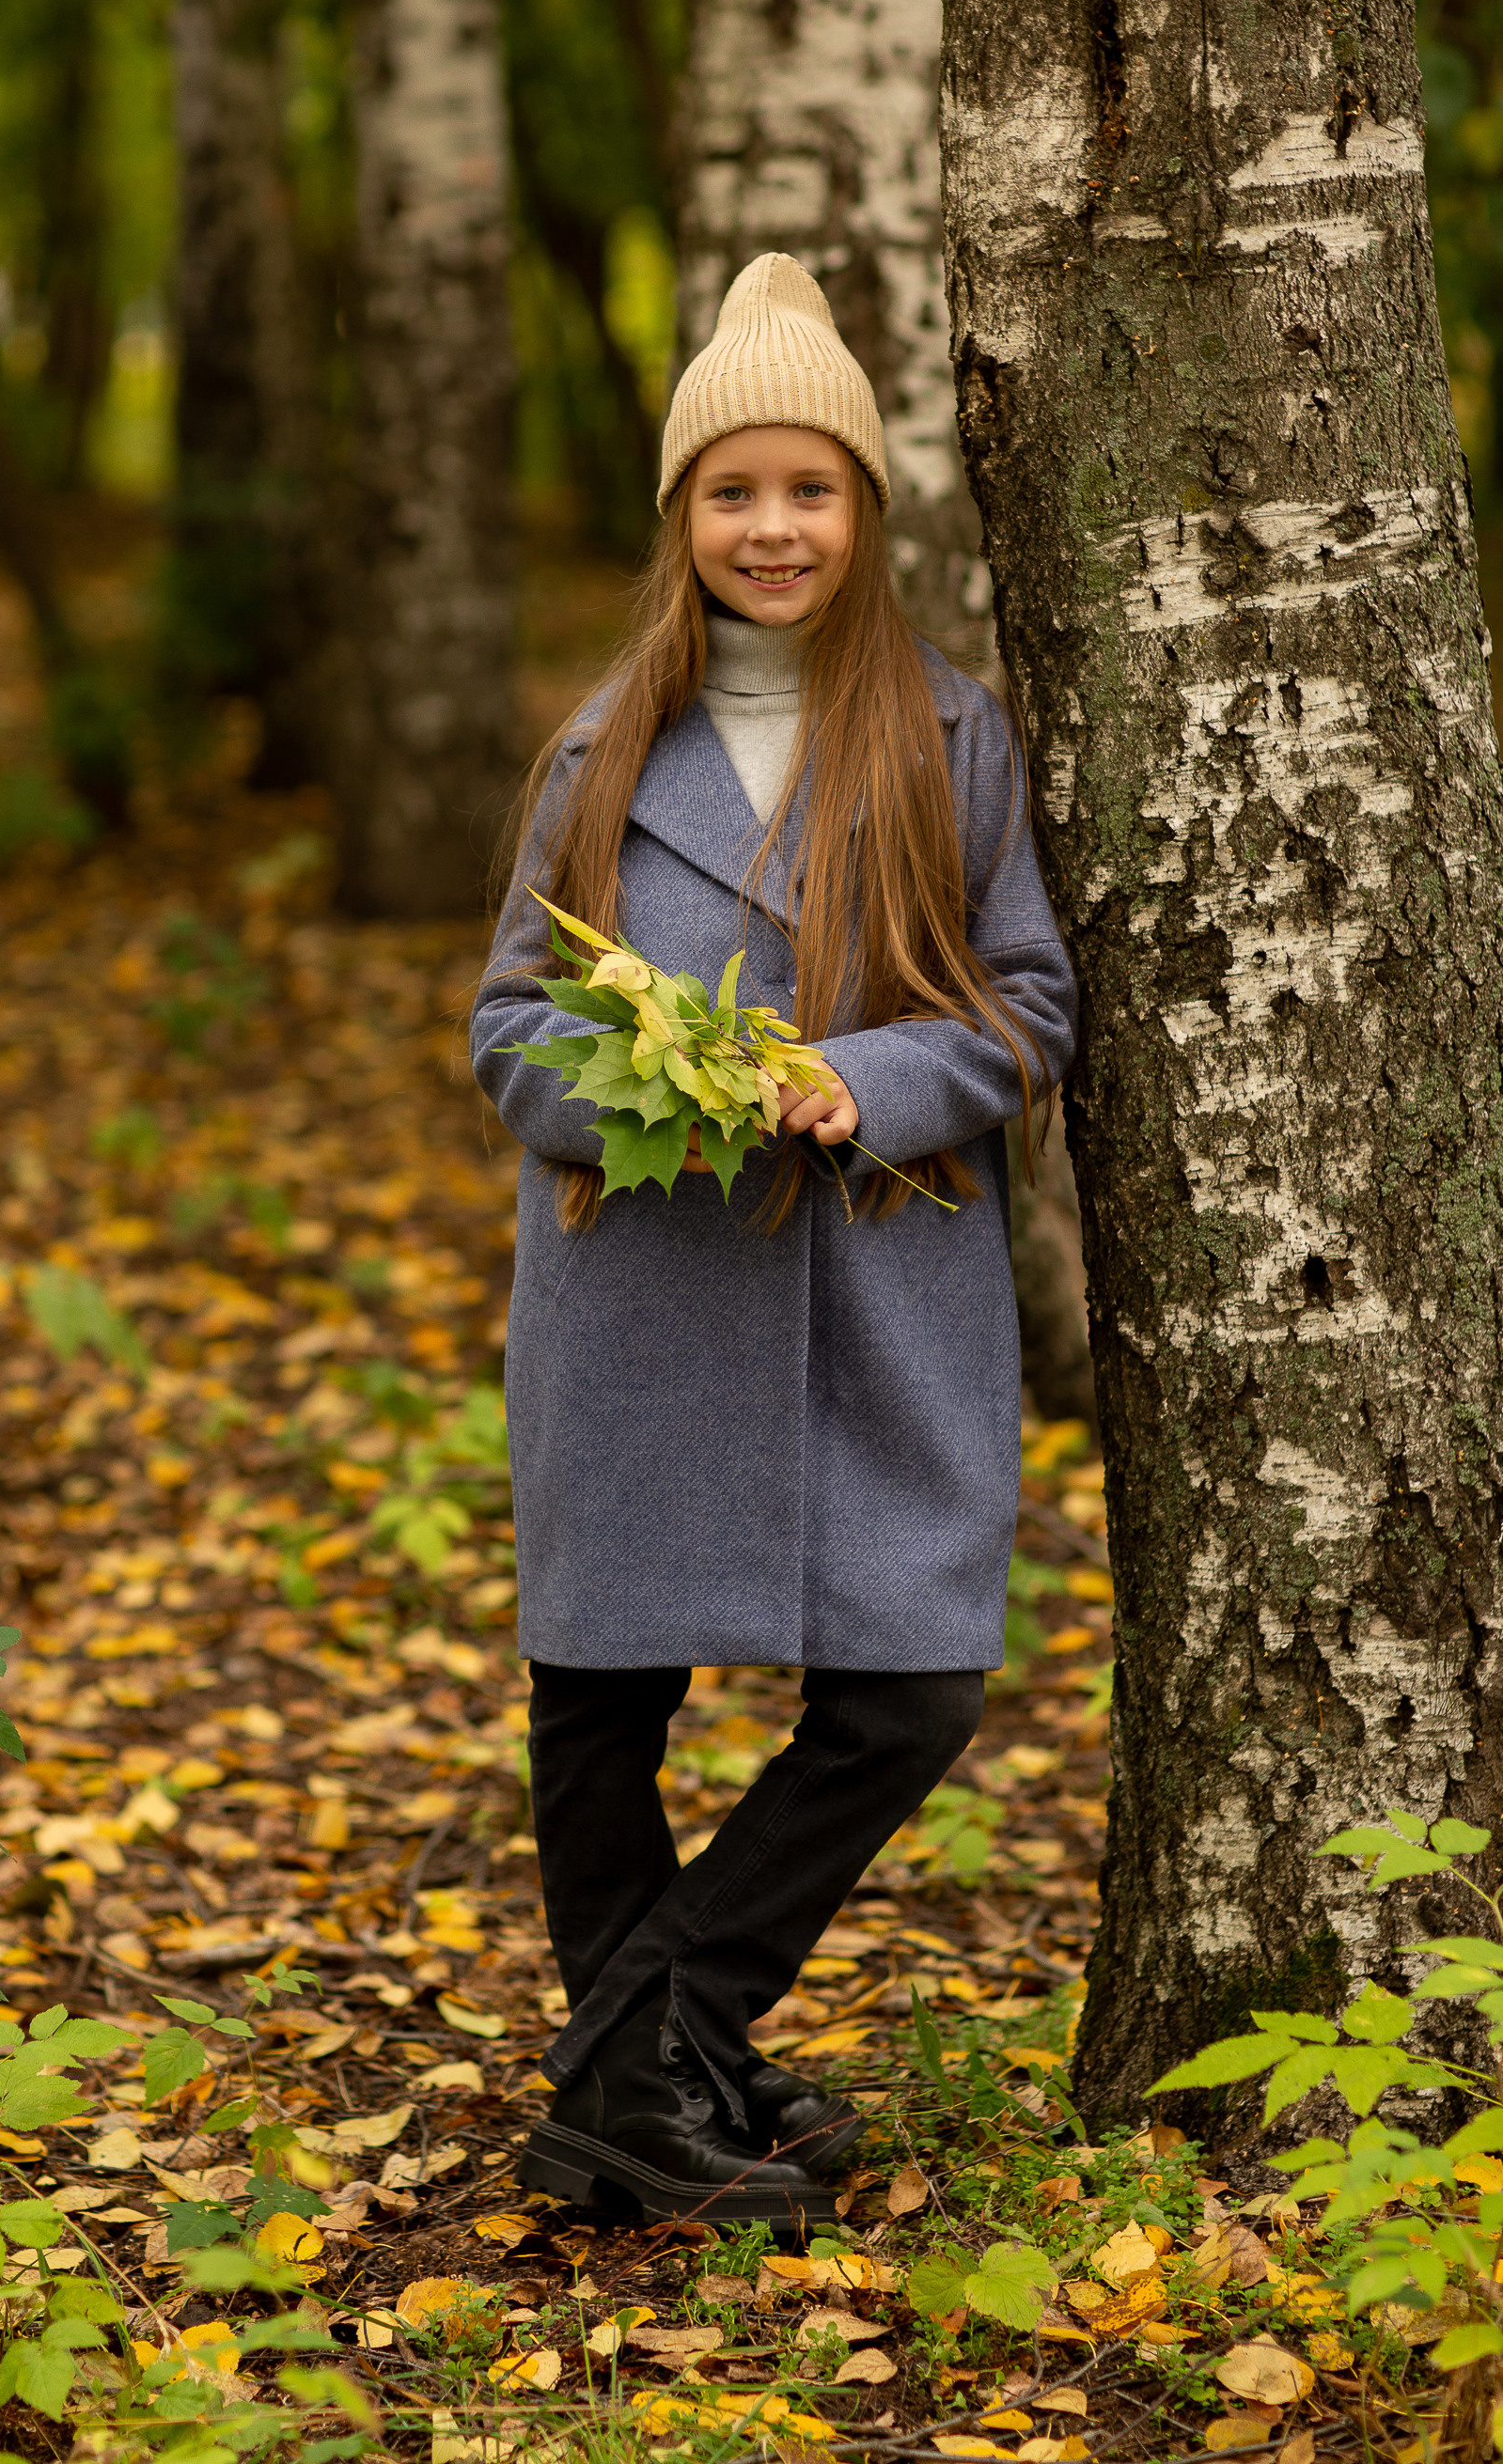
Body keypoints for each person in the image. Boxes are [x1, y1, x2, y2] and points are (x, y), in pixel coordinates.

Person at [471, 254, 1077, 2226]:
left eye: (808, 488)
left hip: (877, 1295)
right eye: (733, 491)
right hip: (638, 1297)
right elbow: (505, 1029)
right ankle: (663, 2087)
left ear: (865, 509)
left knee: (908, 1693)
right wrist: (642, 1086)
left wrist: (866, 1081)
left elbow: (1027, 1003)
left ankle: (651, 2058)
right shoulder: (596, 755)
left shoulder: (947, 737)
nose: (772, 527)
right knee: (602, 1704)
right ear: (681, 519)